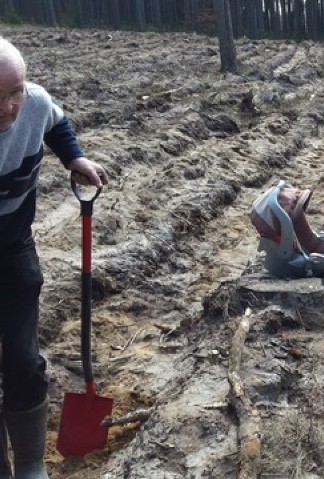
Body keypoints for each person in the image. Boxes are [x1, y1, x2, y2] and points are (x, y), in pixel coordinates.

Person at [0, 36, 108, 478]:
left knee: (22, 357)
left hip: (13, 246)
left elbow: (55, 122)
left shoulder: (35, 103)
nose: (9, 107)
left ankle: (28, 466)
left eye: (14, 91)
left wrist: (75, 157)